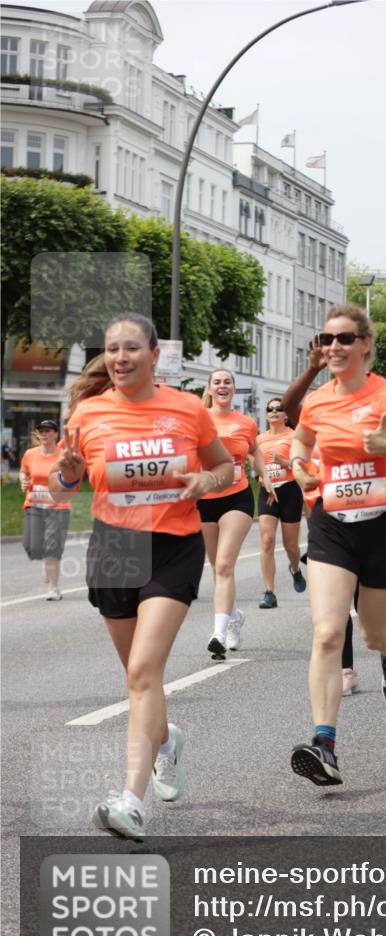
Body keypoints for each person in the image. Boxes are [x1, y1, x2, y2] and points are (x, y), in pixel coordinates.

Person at [49, 313, 234, 839]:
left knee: (143, 670)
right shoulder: (88, 413)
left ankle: (130, 800)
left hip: (173, 547)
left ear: (155, 354)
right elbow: (67, 487)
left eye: (132, 347)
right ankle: (166, 741)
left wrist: (205, 478)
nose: (121, 357)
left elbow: (226, 469)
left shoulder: (187, 408)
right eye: (113, 349)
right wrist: (65, 469)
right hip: (114, 548)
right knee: (138, 676)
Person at [288, 305, 386, 786]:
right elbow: (300, 443)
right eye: (327, 338)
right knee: (327, 633)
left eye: (344, 338)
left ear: (365, 345)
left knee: (374, 634)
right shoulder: (318, 401)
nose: (333, 346)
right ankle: (325, 744)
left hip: (383, 527)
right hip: (332, 525)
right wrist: (300, 467)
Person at [197, 368, 274, 653]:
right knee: (217, 568)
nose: (222, 386)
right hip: (205, 500)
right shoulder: (198, 420)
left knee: (225, 564)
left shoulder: (246, 422)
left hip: (237, 498)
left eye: (227, 382)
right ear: (208, 389)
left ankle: (218, 633)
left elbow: (254, 451)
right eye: (216, 382)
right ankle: (233, 617)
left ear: (233, 388)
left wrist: (264, 475)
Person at [255, 397, 307, 604]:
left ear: (286, 415)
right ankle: (269, 593)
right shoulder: (259, 439)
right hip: (267, 492)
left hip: (289, 491)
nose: (274, 411)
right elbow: (253, 462)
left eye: (279, 408)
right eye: (270, 408)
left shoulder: (294, 436)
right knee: (267, 541)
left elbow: (302, 465)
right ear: (266, 414)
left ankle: (295, 568)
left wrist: (283, 461)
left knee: (291, 546)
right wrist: (261, 473)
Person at [20, 420, 71, 600]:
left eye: (48, 431)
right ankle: (44, 561)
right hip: (34, 504)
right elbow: (23, 471)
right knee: (31, 546)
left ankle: (53, 588)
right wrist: (23, 481)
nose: (44, 434)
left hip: (58, 506)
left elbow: (74, 476)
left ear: (55, 434)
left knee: (53, 548)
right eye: (41, 431)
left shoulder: (63, 455)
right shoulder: (30, 454)